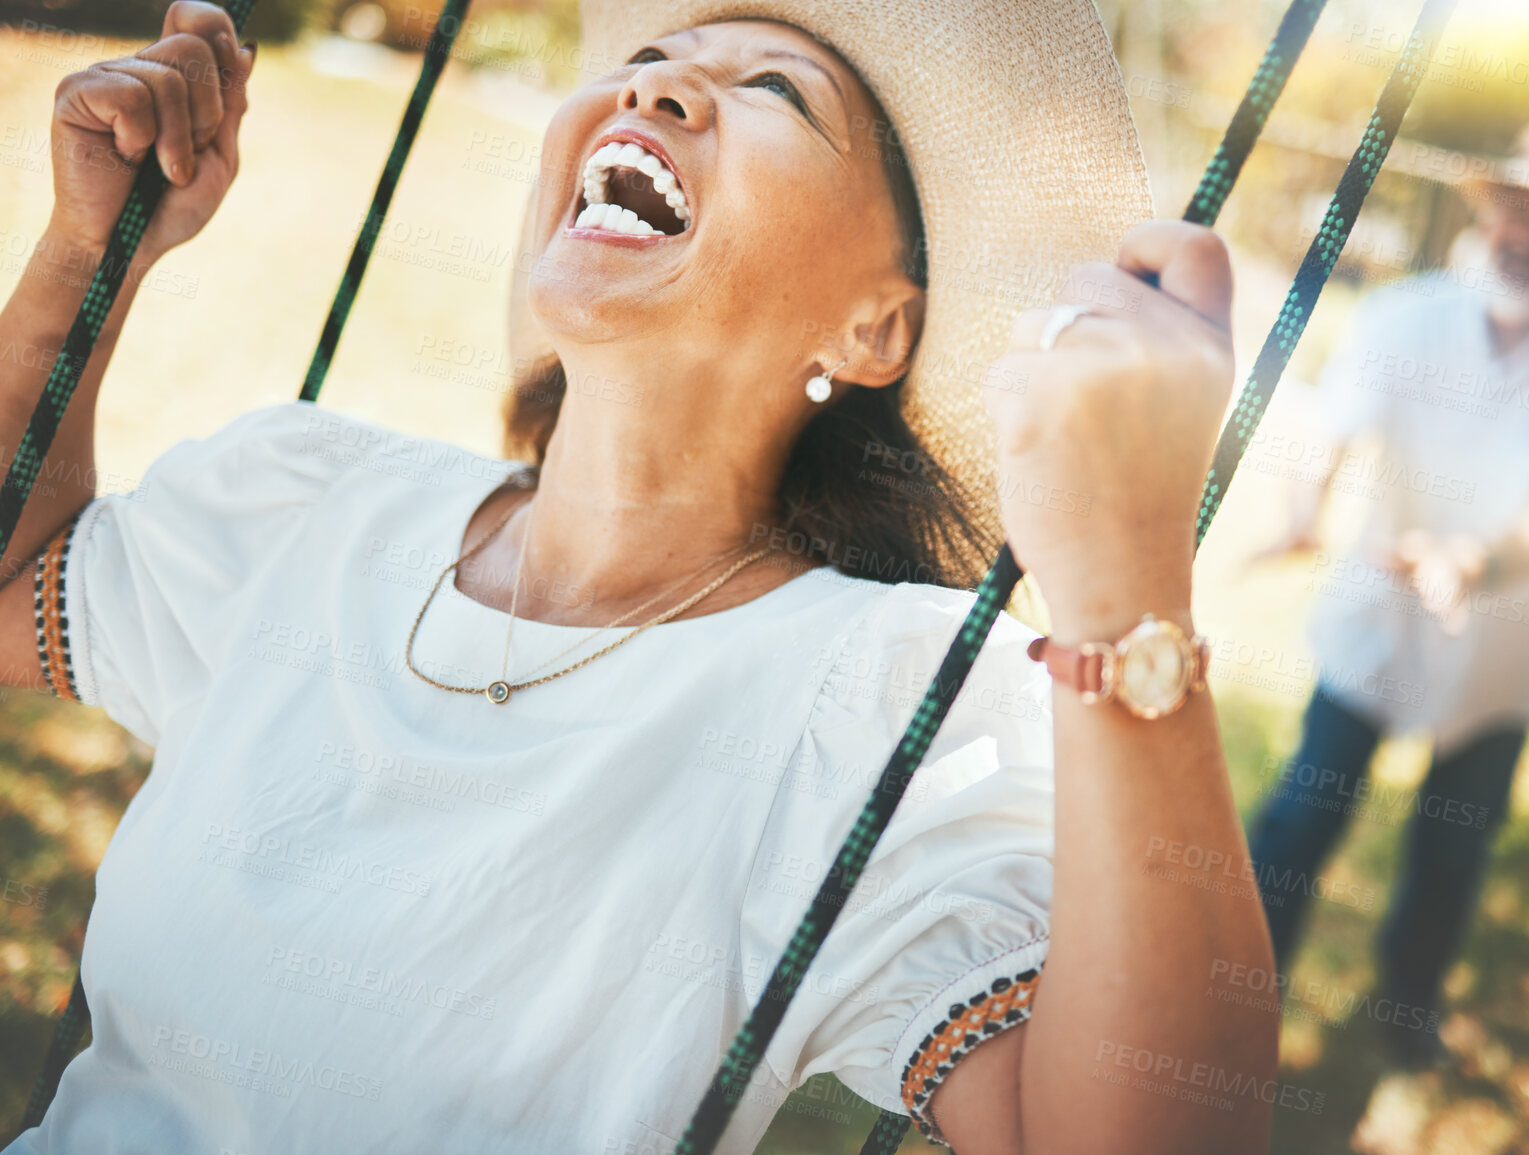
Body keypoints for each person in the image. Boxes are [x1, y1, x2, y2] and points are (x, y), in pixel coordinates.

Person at [0, 1, 1276, 1152]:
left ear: (875, 327)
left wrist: (1130, 592)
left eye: (776, 92)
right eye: (650, 59)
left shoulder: (883, 709)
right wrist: (84, 256)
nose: (651, 90)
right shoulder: (311, 500)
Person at [1245, 115, 1529, 1065]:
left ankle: (1404, 1012)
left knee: (1451, 850)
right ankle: (1234, 992)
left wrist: (1470, 559)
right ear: (1490, 213)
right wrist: (1304, 508)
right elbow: (1332, 430)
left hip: (1504, 645)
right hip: (1377, 618)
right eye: (1519, 208)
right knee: (1302, 817)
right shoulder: (1403, 315)